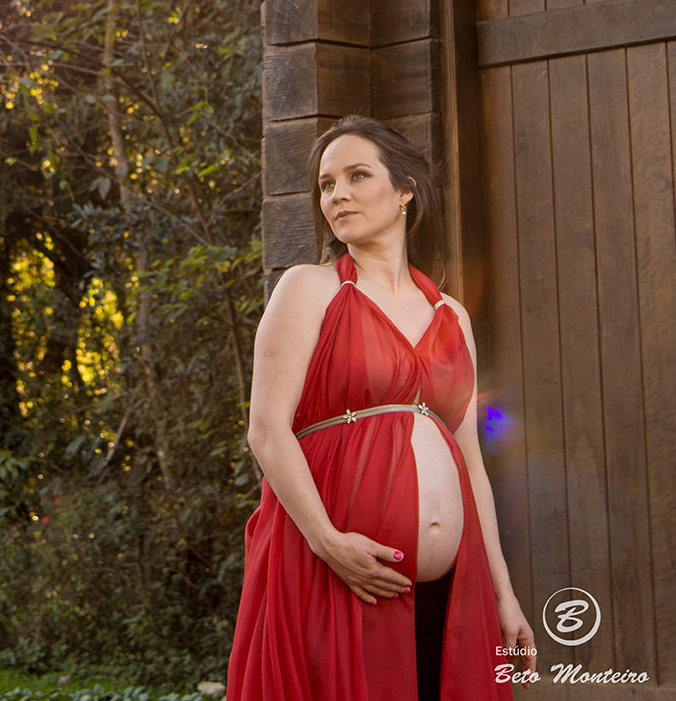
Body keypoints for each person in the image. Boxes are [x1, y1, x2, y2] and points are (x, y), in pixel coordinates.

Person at [227, 116, 535, 701]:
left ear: (404, 191)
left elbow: (471, 462)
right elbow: (266, 431)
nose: (336, 194)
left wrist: (503, 593)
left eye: (356, 176)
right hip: (331, 566)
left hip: (450, 587)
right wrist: (327, 540)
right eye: (325, 184)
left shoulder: (452, 316)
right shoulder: (309, 288)